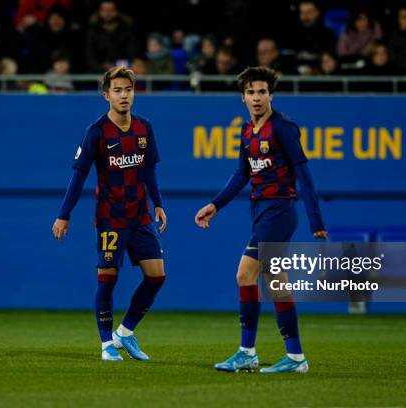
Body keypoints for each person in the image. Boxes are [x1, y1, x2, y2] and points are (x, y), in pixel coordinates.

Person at [194, 67, 327, 374]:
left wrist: (315, 219)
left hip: (279, 211)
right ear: (243, 97)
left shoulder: (283, 127)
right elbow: (242, 173)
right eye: (251, 92)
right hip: (260, 211)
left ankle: (247, 352)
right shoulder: (246, 131)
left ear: (271, 95)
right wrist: (216, 205)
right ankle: (295, 357)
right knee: (277, 283)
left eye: (262, 92)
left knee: (244, 274)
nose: (257, 97)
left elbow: (303, 172)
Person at [52, 66, 167, 361]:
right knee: (108, 278)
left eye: (128, 89)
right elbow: (78, 176)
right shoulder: (97, 131)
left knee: (157, 276)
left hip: (140, 216)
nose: (124, 95)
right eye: (117, 90)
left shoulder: (145, 128)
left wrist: (158, 203)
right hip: (110, 218)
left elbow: (149, 170)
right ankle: (106, 344)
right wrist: (64, 214)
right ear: (106, 96)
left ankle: (124, 333)